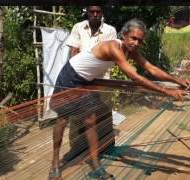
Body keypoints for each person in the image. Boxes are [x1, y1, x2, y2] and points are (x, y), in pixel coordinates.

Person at [48, 18, 190, 179]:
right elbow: (135, 77)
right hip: (70, 76)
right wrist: (166, 91)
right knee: (62, 119)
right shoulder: (113, 48)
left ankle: (95, 165)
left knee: (90, 121)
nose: (136, 43)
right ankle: (54, 164)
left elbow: (151, 68)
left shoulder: (131, 50)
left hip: (86, 81)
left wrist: (177, 81)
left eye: (140, 40)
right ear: (124, 35)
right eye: (133, 38)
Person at [64, 6, 117, 163]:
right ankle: (76, 149)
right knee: (77, 115)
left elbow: (109, 56)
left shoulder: (110, 31)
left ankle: (105, 147)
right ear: (87, 12)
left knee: (104, 114)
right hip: (81, 80)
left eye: (98, 12)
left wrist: (90, 64)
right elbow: (73, 51)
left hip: (102, 80)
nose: (95, 15)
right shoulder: (78, 27)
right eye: (91, 12)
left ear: (102, 13)